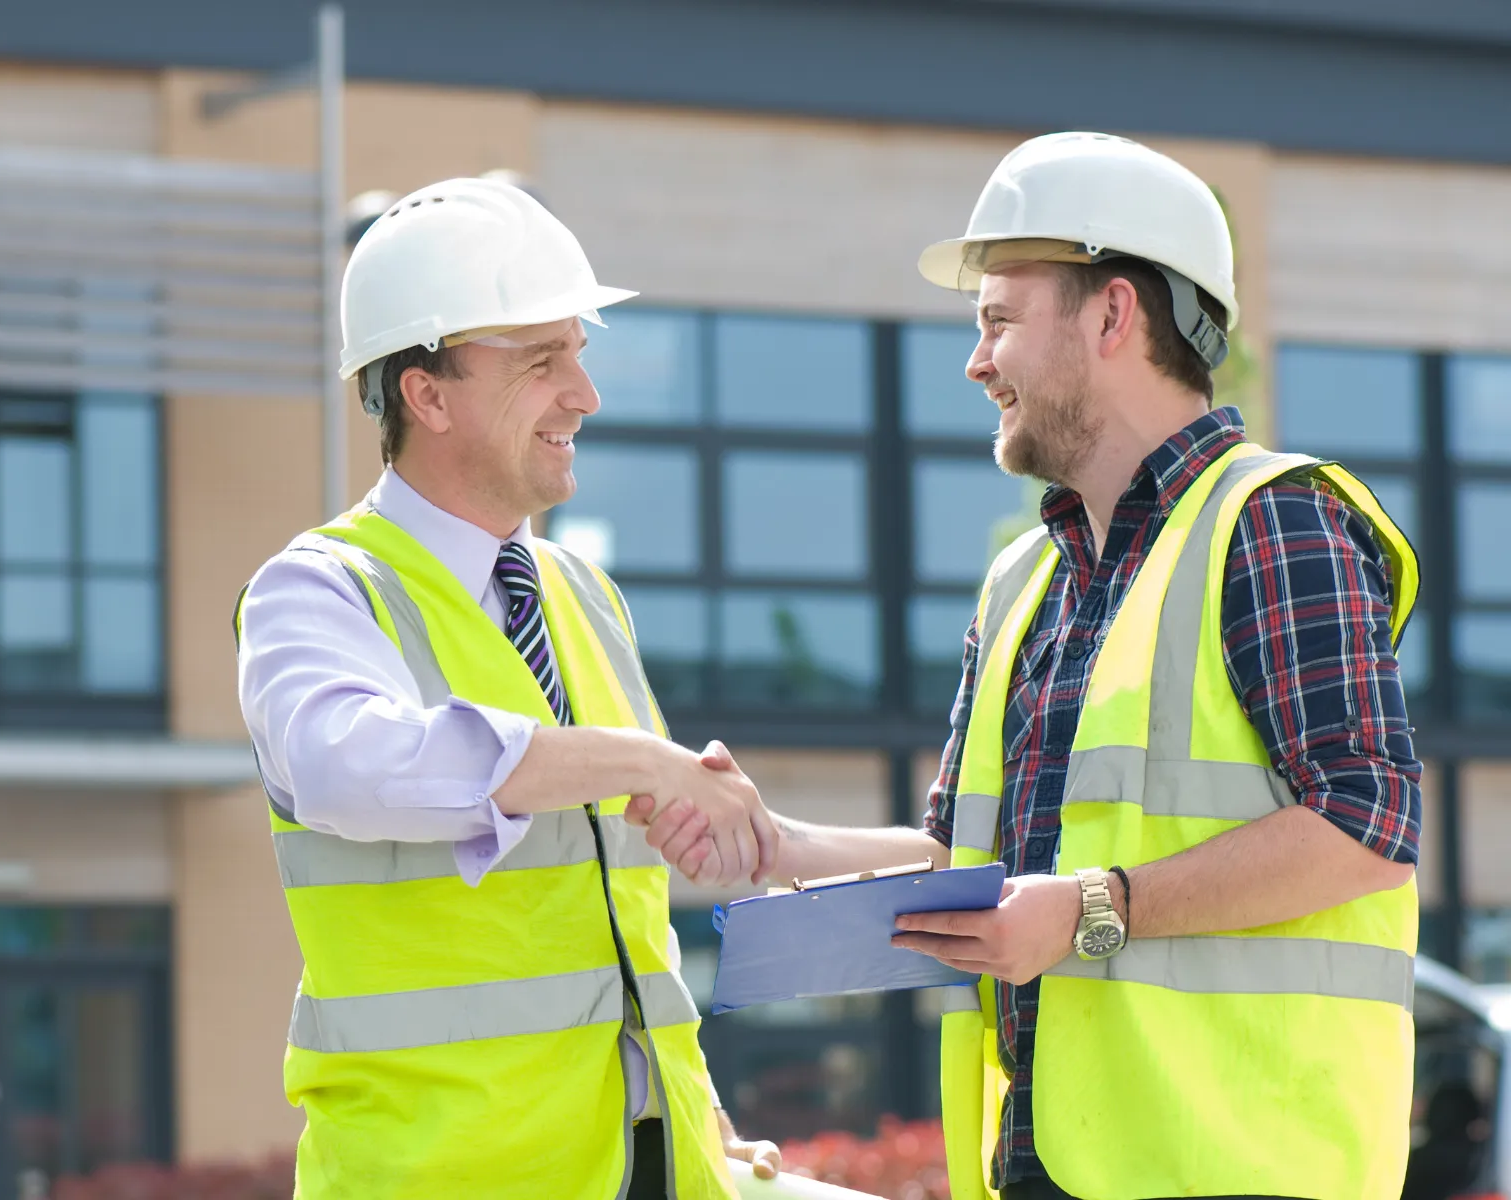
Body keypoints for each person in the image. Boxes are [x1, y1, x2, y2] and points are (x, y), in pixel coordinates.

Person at [633, 133, 1422, 1200]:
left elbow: (1366, 826)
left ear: (1112, 315)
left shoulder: (1274, 523)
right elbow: (966, 856)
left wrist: (1094, 907)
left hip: (1244, 1169)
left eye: (998, 321)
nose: (976, 361)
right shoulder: (1024, 581)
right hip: (1051, 1160)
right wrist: (779, 845)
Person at [235, 176, 780, 1199]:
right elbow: (347, 768)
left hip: (645, 1166)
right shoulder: (318, 591)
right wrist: (641, 760)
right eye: (541, 361)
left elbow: (623, 910)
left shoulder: (585, 595)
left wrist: (690, 1112)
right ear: (427, 395)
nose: (585, 393)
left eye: (579, 350)